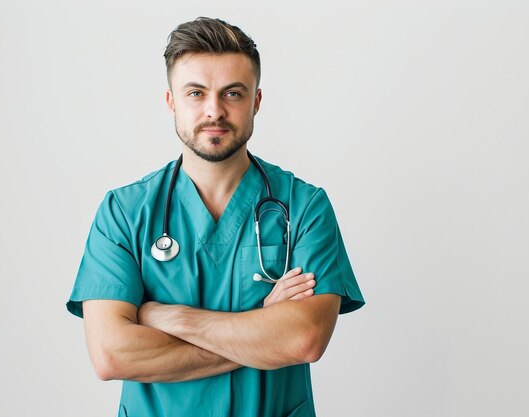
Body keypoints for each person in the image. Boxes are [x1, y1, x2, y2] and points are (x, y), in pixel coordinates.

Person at [66, 17, 364, 417]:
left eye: (233, 94)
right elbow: (112, 355)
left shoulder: (305, 207)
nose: (214, 111)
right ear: (171, 101)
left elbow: (302, 341)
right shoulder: (124, 212)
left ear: (256, 101)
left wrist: (165, 316)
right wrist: (261, 327)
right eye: (196, 93)